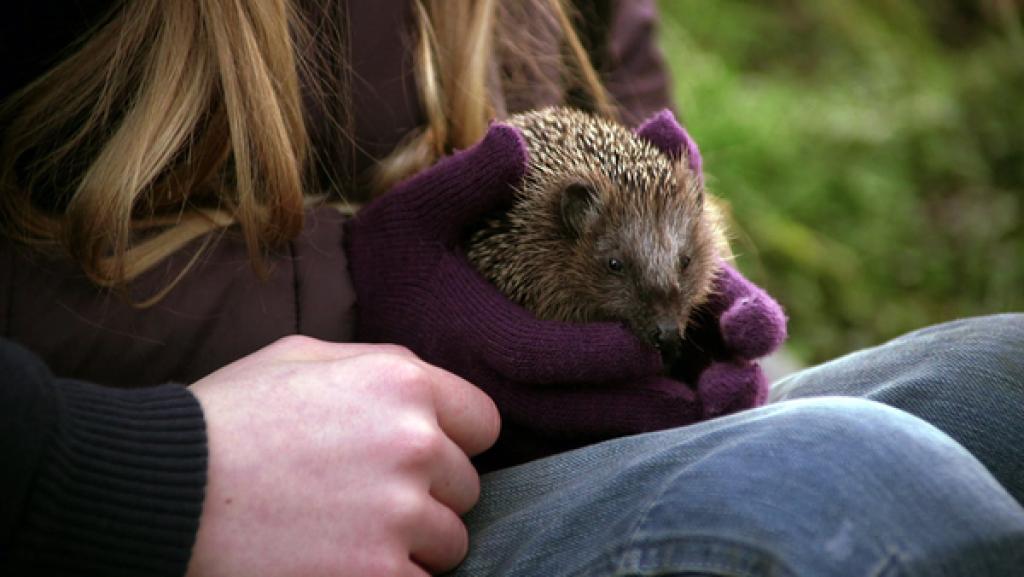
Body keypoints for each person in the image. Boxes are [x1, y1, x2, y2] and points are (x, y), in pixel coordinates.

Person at [1, 2, 1021, 576]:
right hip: (176, 498)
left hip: (516, 454)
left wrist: (688, 294)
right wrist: (118, 477)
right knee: (844, 481)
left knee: (1002, 378)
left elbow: (619, 104)